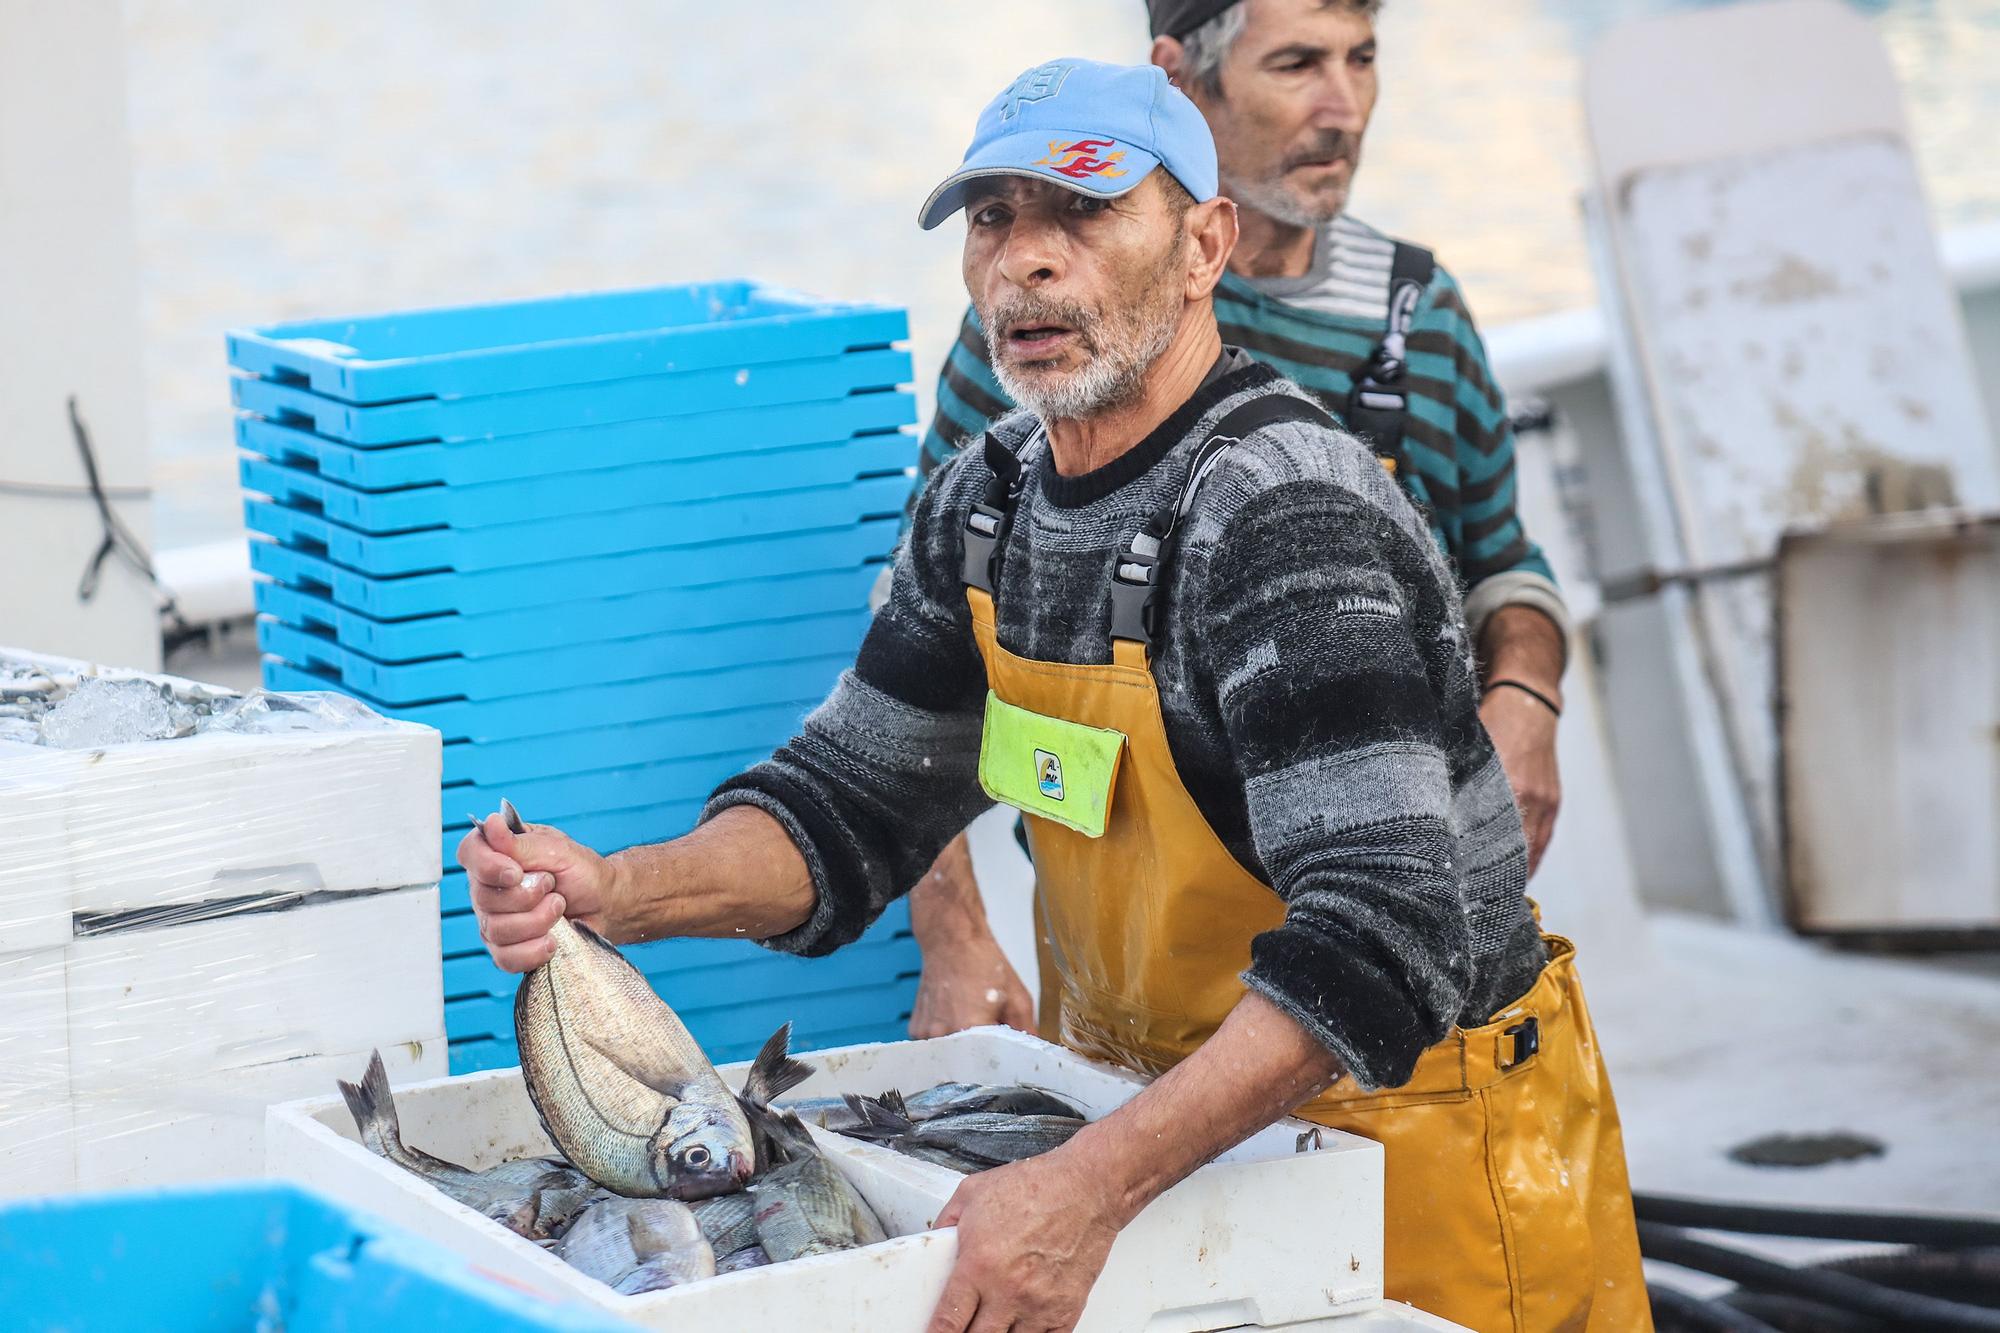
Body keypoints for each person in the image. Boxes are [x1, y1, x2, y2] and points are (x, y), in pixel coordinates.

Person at [462, 58, 1647, 1332]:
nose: (1022, 262)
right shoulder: (988, 499)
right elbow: (848, 804)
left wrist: (1085, 1189)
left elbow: (1384, 936)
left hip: (1409, 1159)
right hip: (1165, 1138)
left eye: (1079, 213)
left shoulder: (1279, 511)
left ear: (1203, 246)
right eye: (992, 220)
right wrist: (618, 892)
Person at [905, 0, 1574, 1045]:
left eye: (1361, 60)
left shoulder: (1416, 310)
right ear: (1178, 77)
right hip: (1125, 974)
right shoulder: (1045, 329)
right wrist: (953, 938)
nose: (1341, 106)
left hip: (1390, 969)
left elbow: (1502, 564)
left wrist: (1527, 697)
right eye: (1296, 64)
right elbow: (928, 625)